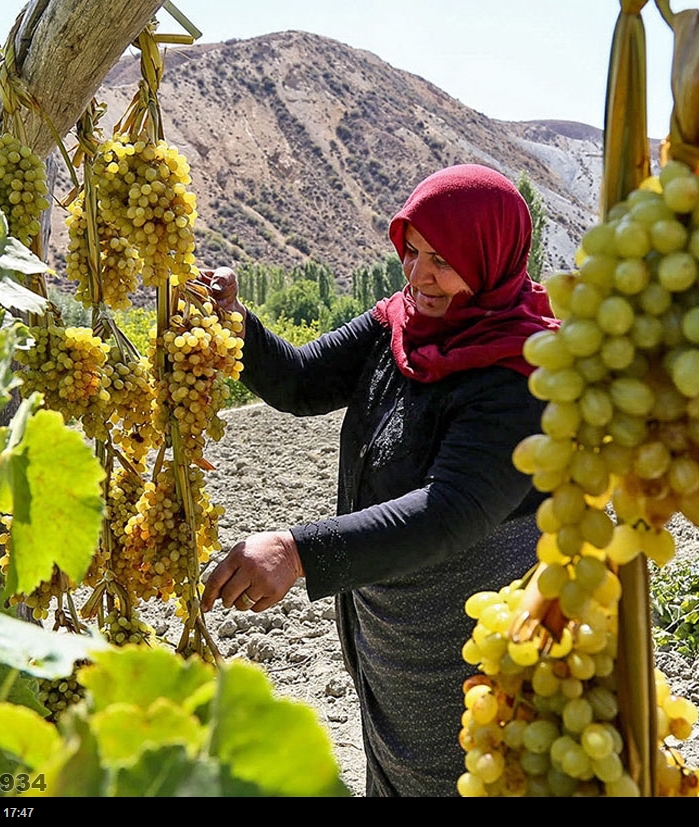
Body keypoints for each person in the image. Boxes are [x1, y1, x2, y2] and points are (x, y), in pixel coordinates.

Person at [199, 163, 559, 797]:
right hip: (391, 624)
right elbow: (301, 380)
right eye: (412, 251)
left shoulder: (521, 370)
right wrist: (235, 321)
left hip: (474, 638)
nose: (421, 275)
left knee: (472, 773)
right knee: (399, 771)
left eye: (444, 260)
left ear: (492, 257)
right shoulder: (400, 324)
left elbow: (450, 511)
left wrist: (296, 551)